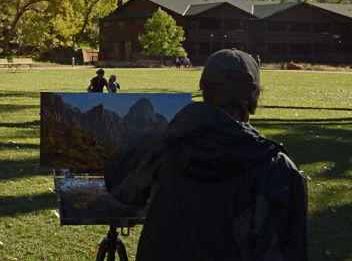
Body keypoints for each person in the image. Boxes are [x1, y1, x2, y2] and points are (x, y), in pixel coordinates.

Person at [104, 49, 307, 260]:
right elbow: (284, 251)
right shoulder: (276, 169)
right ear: (254, 95)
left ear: (204, 90)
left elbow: (119, 181)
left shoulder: (164, 146)